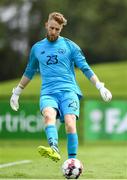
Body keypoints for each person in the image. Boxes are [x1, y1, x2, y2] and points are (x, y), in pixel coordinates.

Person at [10, 12, 112, 162]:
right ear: (46, 25)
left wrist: (100, 86)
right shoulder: (37, 48)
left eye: (57, 29)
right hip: (48, 93)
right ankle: (54, 149)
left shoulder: (70, 46)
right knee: (48, 117)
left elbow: (85, 67)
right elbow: (29, 71)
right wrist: (17, 92)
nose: (53, 32)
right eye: (51, 28)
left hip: (69, 91)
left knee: (70, 123)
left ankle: (72, 161)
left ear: (61, 29)